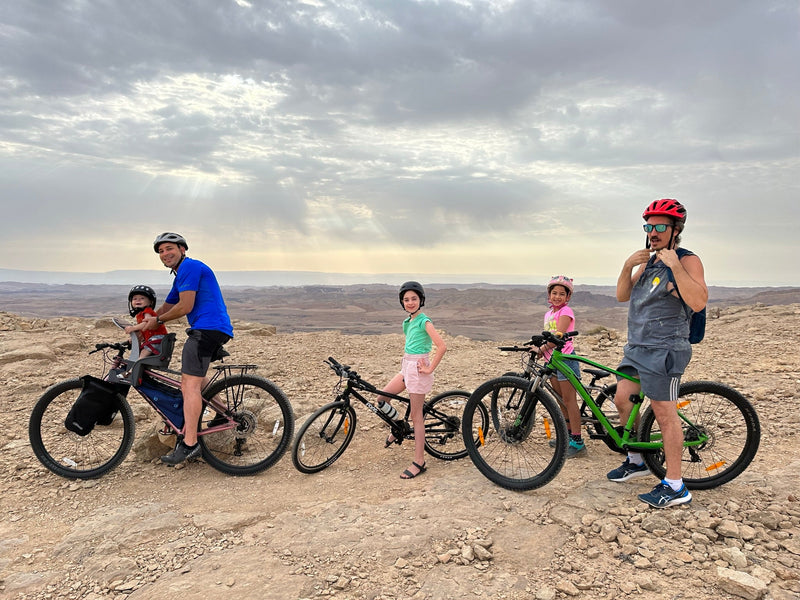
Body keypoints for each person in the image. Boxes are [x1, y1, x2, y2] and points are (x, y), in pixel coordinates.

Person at [607, 199, 707, 508]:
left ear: (676, 230)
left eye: (660, 226)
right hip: (637, 348)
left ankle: (676, 485)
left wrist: (675, 265)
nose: (653, 232)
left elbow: (699, 301)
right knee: (623, 400)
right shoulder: (648, 262)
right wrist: (627, 266)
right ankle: (637, 461)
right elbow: (622, 295)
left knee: (664, 414)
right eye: (649, 227)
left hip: (665, 349)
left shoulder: (688, 260)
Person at [143, 232, 234, 466]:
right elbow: (167, 306)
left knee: (188, 385)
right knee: (198, 378)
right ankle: (224, 413)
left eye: (169, 248)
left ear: (182, 249)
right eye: (161, 251)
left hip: (207, 329)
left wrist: (157, 321)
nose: (165, 254)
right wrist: (144, 323)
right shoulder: (181, 274)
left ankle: (190, 443)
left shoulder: (190, 267)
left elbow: (185, 306)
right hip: (212, 328)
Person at [378, 281, 447, 479]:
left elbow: (442, 346)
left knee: (417, 417)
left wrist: (429, 368)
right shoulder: (407, 322)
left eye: (414, 299)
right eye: (406, 299)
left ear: (420, 300)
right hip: (406, 367)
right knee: (382, 399)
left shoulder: (425, 322)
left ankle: (419, 461)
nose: (410, 302)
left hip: (418, 370)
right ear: (402, 302)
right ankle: (399, 427)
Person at [536, 275, 585, 458]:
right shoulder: (548, 314)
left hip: (565, 359)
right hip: (552, 360)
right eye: (554, 293)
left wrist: (541, 348)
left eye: (561, 294)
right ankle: (567, 437)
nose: (557, 297)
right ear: (549, 294)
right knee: (560, 400)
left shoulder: (566, 312)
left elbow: (558, 335)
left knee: (570, 401)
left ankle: (578, 441)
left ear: (568, 297)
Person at [124, 285, 168, 359]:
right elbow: (143, 331)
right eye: (135, 299)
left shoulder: (147, 311)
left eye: (142, 298)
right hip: (154, 340)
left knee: (143, 353)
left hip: (158, 339)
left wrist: (133, 328)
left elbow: (147, 323)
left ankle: (138, 363)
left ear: (150, 302)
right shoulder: (139, 315)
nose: (138, 300)